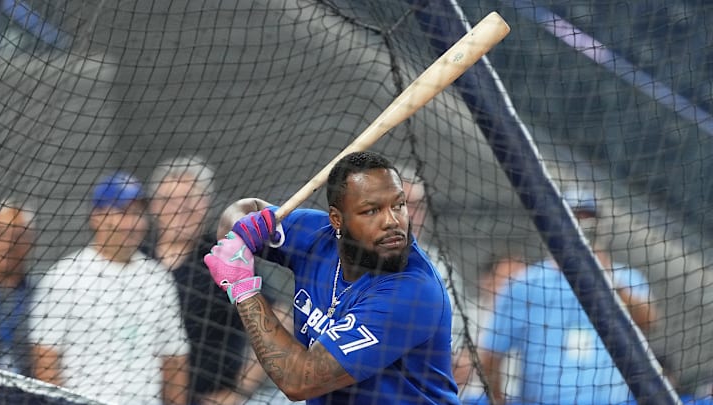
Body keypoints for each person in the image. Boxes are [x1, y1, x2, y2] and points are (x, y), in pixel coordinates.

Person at [204, 151, 461, 404]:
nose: (392, 221)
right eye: (371, 211)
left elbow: (299, 381)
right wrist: (243, 230)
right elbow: (239, 211)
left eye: (398, 205)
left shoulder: (412, 291)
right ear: (337, 220)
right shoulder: (316, 237)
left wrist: (244, 290)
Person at [478, 187, 658, 404]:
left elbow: (648, 321)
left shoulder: (627, 278)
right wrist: (498, 400)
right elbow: (490, 354)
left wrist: (605, 278)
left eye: (588, 219)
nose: (582, 226)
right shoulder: (528, 283)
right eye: (574, 218)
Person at [29, 171, 190, 405]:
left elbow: (174, 359)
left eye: (138, 214)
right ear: (97, 217)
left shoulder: (158, 278)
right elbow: (45, 361)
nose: (133, 223)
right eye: (123, 213)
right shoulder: (63, 277)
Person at [145, 156, 273, 405]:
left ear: (205, 204)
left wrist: (241, 389)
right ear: (154, 206)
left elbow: (279, 318)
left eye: (189, 200)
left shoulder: (225, 256)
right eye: (169, 200)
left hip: (209, 398)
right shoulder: (138, 257)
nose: (179, 210)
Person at [396, 163, 477, 390]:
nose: (412, 215)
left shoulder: (440, 266)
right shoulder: (358, 259)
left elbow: (459, 346)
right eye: (403, 205)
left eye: (417, 206)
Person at [0, 199, 35, 375]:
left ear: (30, 242)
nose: (8, 245)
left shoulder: (41, 294)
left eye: (17, 236)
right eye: (0, 233)